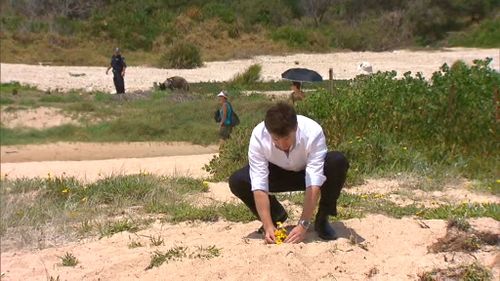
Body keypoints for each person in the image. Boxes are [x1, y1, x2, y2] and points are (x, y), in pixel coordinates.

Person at [229, 102, 349, 244]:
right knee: (238, 180)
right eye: (275, 139)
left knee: (337, 161)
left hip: (305, 173)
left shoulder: (313, 131)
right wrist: (268, 225)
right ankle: (276, 215)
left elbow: (314, 182)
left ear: (295, 128)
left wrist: (303, 224)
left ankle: (322, 218)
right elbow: (259, 184)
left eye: (286, 138)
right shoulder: (258, 135)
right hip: (276, 173)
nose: (282, 144)